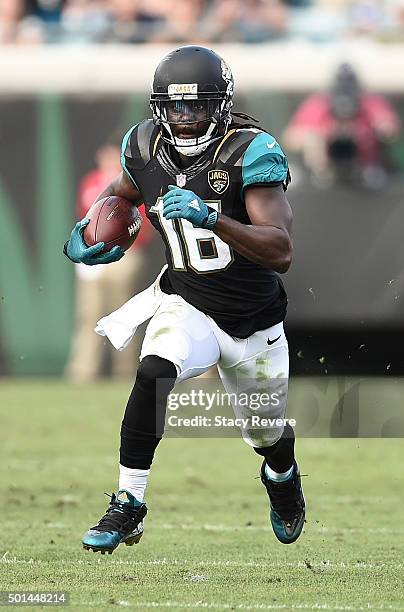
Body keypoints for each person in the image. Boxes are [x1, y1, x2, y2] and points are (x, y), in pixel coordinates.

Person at [63, 45, 305, 553]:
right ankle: (129, 503)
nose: (185, 117)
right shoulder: (144, 145)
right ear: (158, 107)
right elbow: (122, 195)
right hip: (187, 299)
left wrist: (211, 216)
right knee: (153, 371)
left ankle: (282, 478)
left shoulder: (249, 150)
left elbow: (280, 251)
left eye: (197, 105)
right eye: (174, 106)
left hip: (253, 320)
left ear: (220, 103)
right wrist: (89, 230)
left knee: (267, 437)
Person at [65, 136, 153, 382]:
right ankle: (83, 371)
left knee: (124, 313)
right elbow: (84, 219)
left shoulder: (133, 184)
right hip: (94, 256)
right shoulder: (92, 181)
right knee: (88, 314)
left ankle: (124, 372)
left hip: (124, 254)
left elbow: (141, 224)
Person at [283, 63, 401, 188]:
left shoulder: (370, 102)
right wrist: (324, 134)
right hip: (327, 165)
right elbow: (291, 138)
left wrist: (372, 130)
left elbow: (390, 128)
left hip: (365, 164)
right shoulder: (319, 104)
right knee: (312, 139)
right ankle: (322, 173)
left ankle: (371, 170)